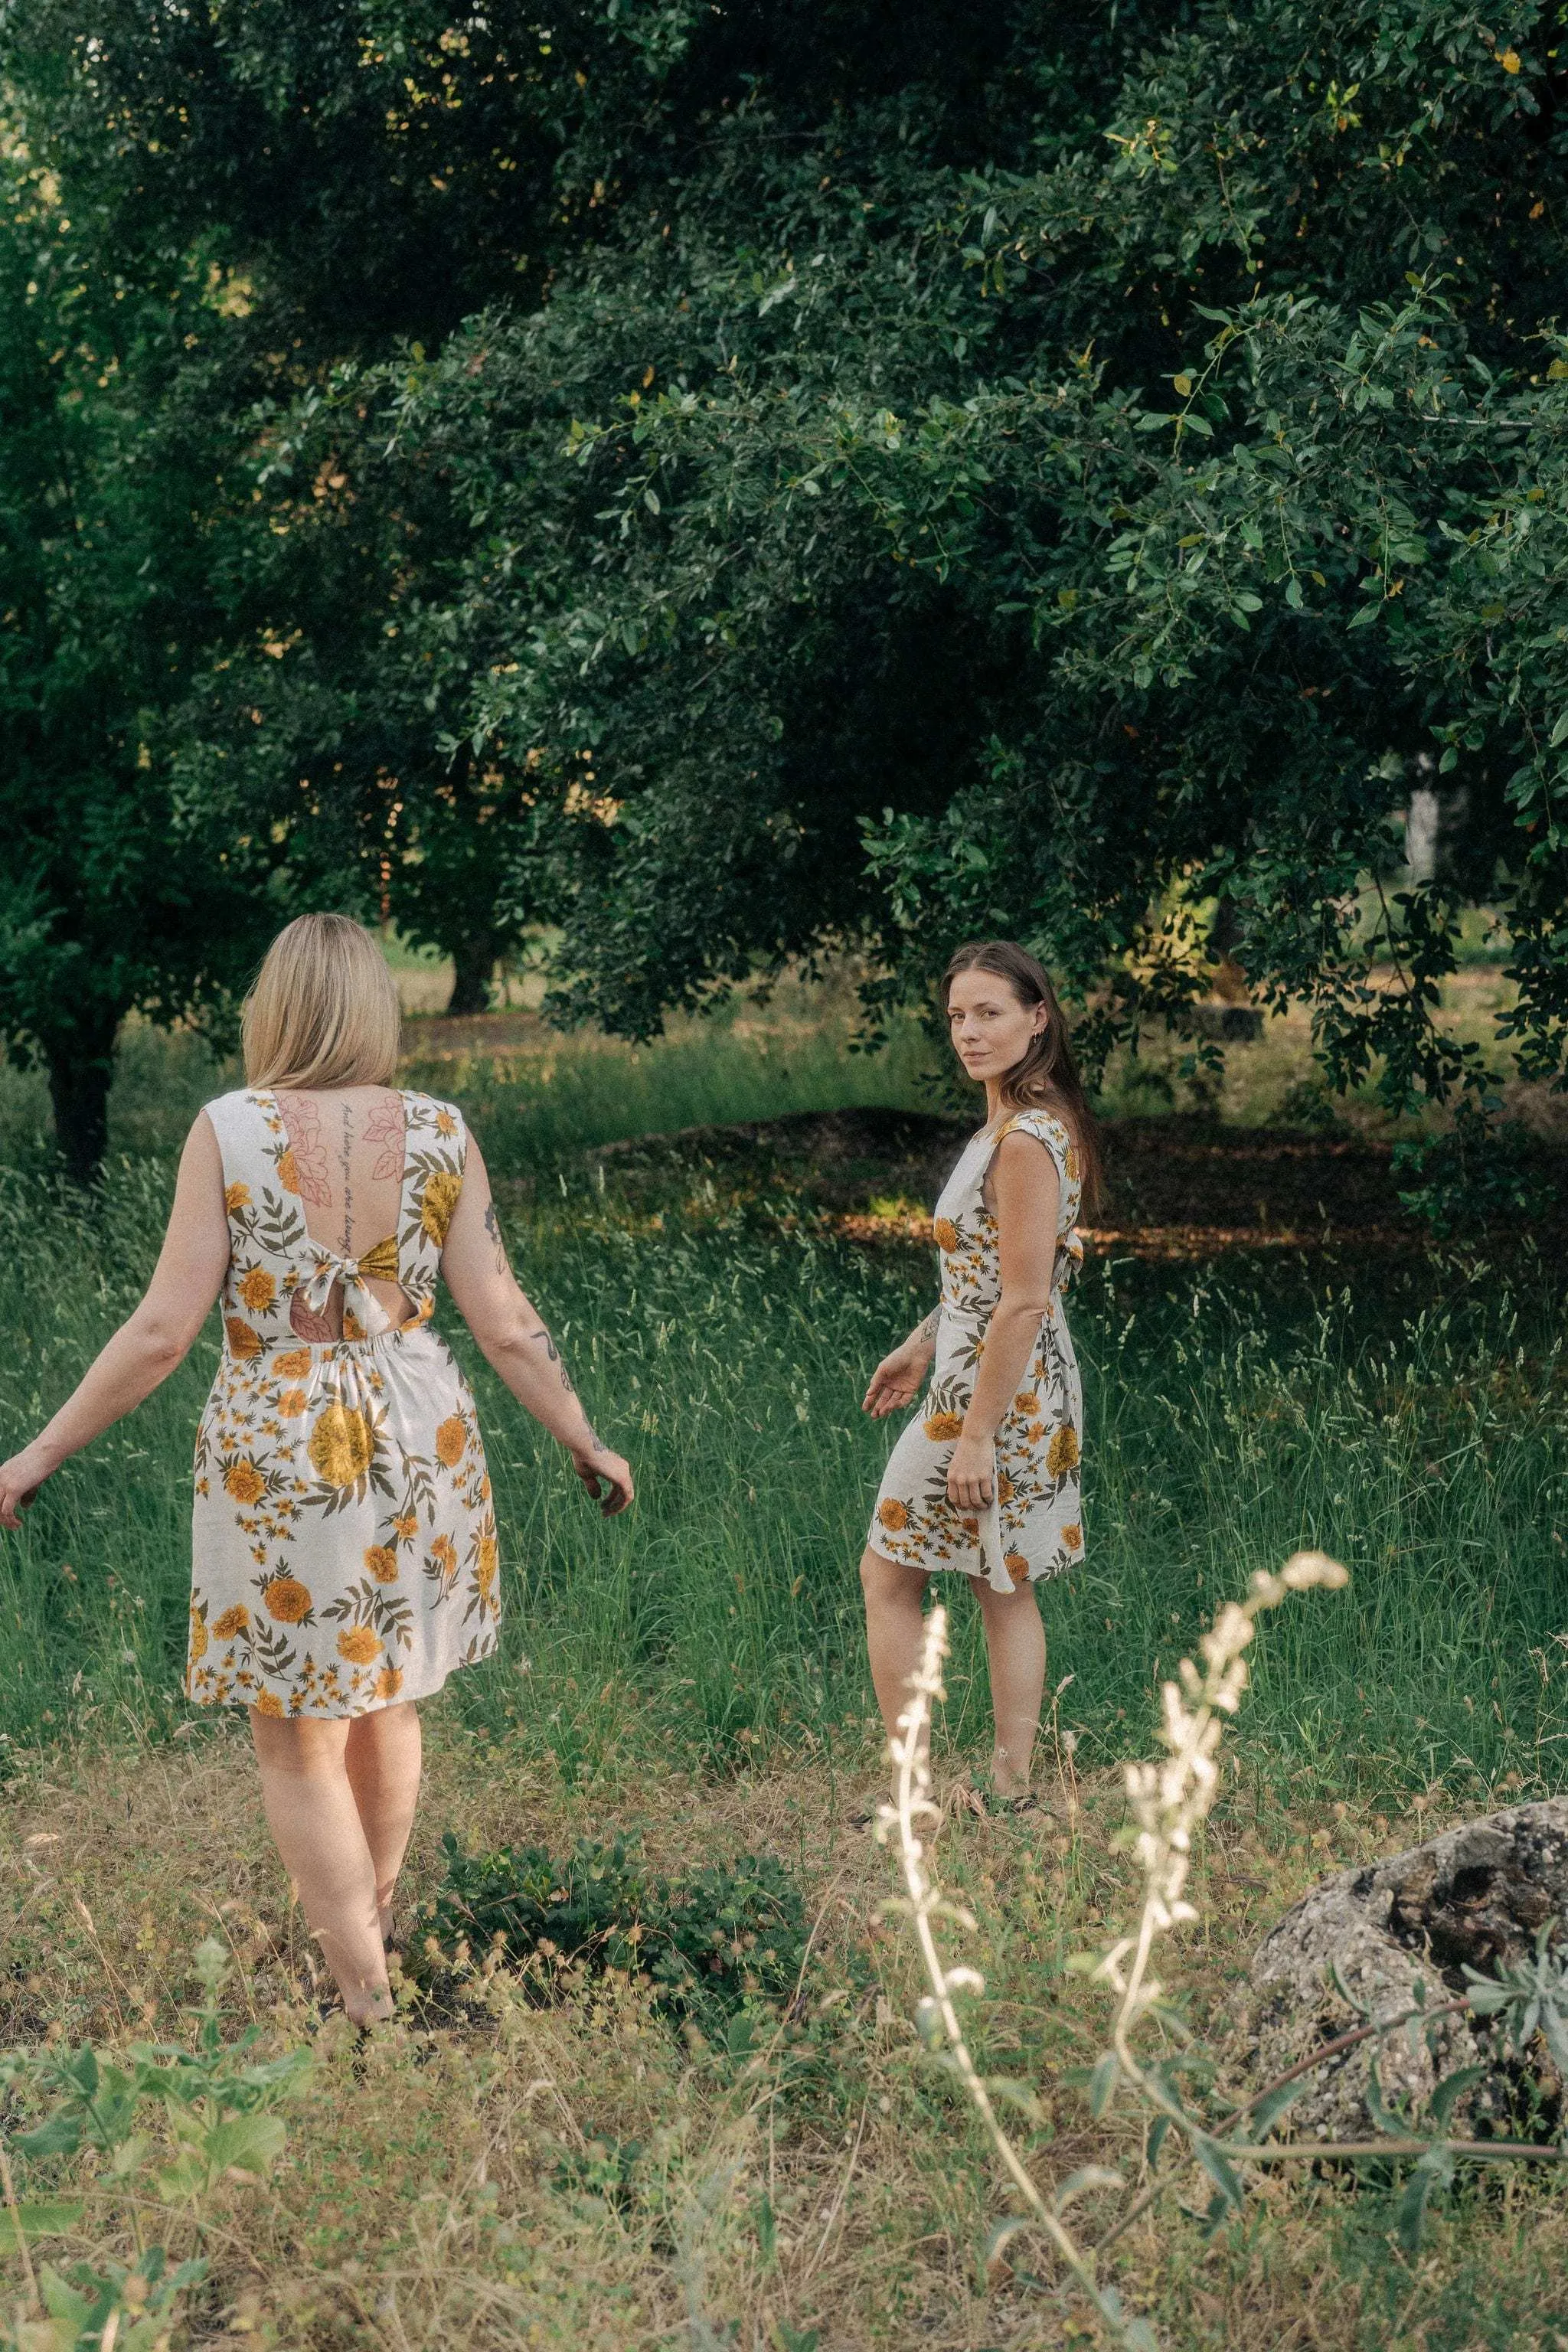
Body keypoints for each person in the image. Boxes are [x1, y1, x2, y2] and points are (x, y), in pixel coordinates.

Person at [0, 913, 632, 2024]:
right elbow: (507, 1321)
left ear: (275, 1008)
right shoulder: (443, 1130)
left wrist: (38, 1452)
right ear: (377, 1008)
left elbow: (161, 1331)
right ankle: (369, 1943)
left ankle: (367, 1999)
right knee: (386, 1703)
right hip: (421, 1429)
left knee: (299, 1737)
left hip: (283, 1443)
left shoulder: (231, 1129)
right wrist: (583, 1436)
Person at [860, 941, 1101, 1809]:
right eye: (957, 1015)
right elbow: (994, 1278)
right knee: (996, 1580)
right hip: (983, 1375)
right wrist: (921, 1341)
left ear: (1037, 1017)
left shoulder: (1027, 1140)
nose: (967, 1031)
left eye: (988, 1012)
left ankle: (919, 1789)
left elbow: (1025, 1300)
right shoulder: (1007, 1128)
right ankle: (1004, 1784)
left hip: (994, 1394)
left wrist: (974, 1434)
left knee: (890, 1573)